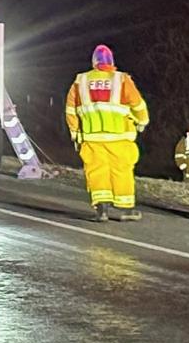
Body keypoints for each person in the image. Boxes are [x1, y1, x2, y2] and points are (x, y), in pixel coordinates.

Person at [64, 44, 150, 221]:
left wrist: (74, 133)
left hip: (92, 137)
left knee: (97, 171)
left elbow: (71, 110)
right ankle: (125, 209)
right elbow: (137, 103)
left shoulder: (81, 81)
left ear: (94, 62)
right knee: (122, 170)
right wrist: (143, 121)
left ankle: (102, 210)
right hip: (120, 137)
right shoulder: (121, 79)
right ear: (111, 61)